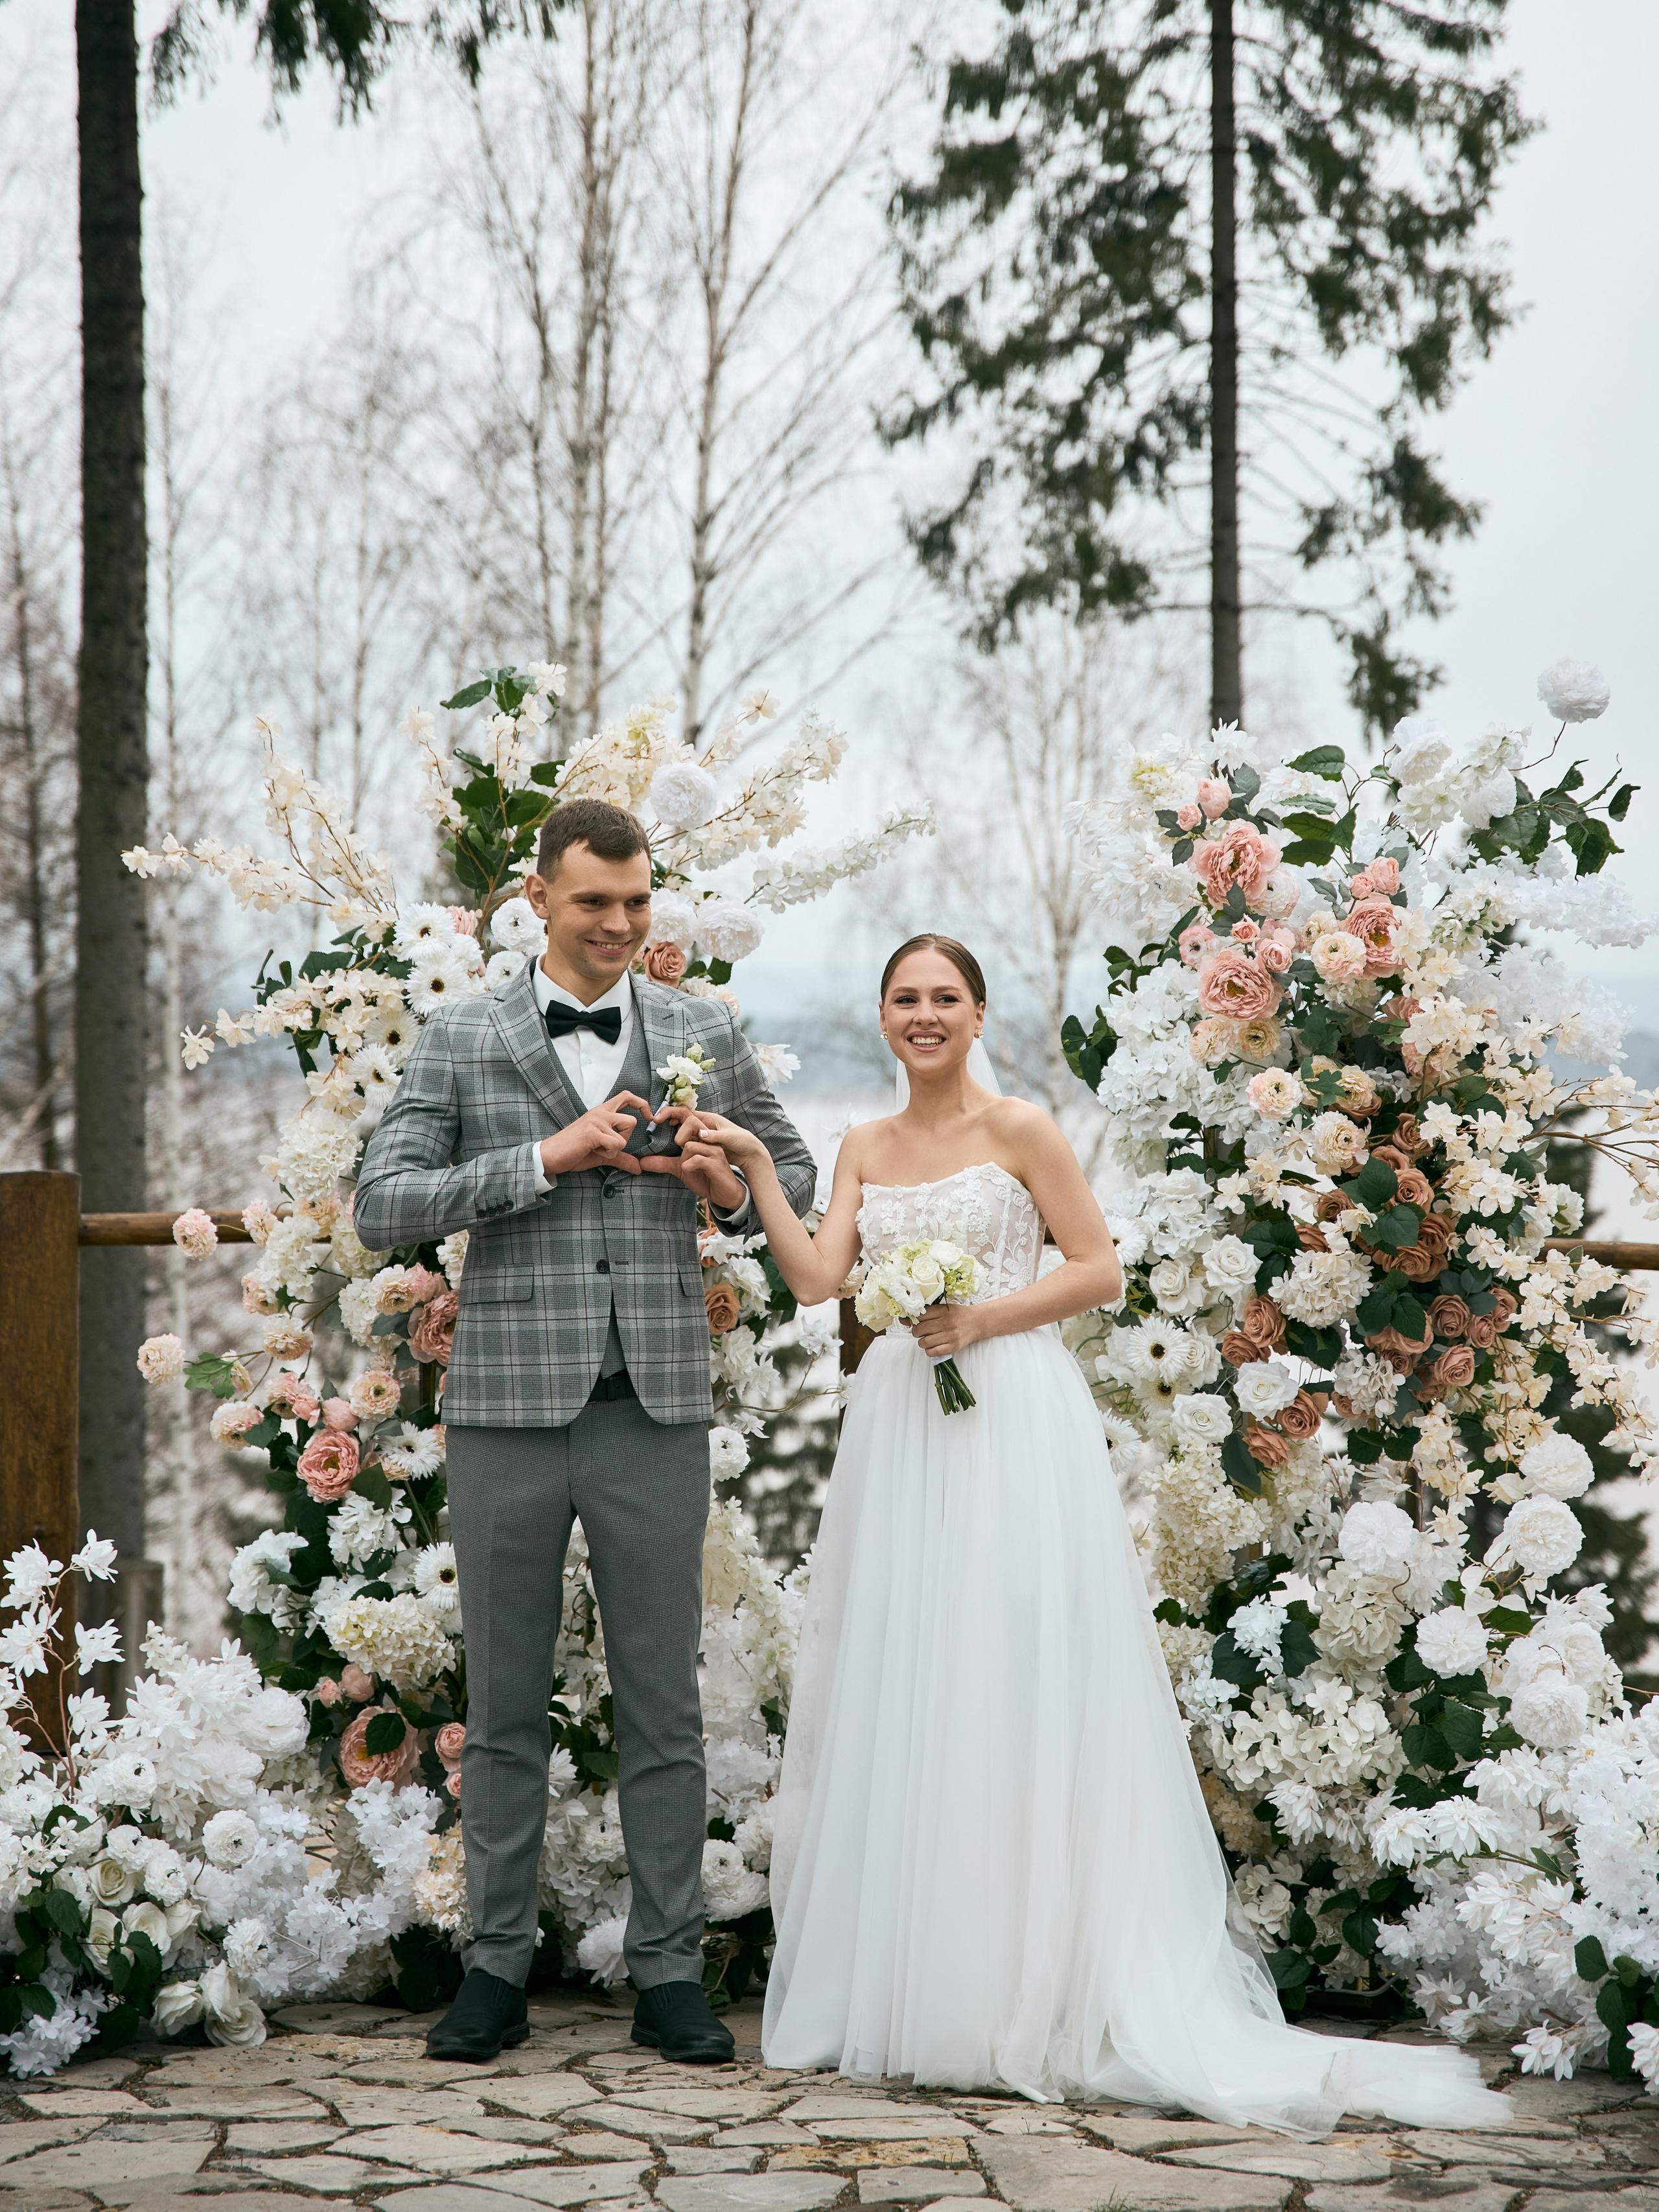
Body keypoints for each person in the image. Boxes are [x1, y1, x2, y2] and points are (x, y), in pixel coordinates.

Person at [673, 933, 1513, 2132]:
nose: (925, 1015)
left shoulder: (1022, 1128)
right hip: (901, 1426)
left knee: (1009, 1668)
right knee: (916, 1673)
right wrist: (759, 1164)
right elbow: (817, 1281)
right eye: (906, 998)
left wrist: (982, 1318)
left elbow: (1100, 1269)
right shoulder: (861, 1143)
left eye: (946, 997)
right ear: (883, 1015)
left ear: (978, 1014)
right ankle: (926, 1982)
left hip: (1011, 1411)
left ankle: (1034, 1980)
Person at [353, 798, 816, 2066]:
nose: (617, 924)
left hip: (652, 1408)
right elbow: (381, 1204)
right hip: (504, 1409)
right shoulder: (464, 1034)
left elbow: (793, 1181)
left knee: (663, 1706)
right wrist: (543, 1158)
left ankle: (669, 1974)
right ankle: (493, 1970)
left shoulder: (702, 1028)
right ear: (539, 898)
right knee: (503, 1706)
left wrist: (721, 1183)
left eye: (636, 902)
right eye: (593, 902)